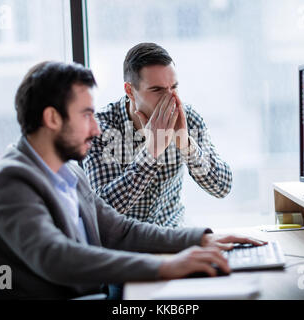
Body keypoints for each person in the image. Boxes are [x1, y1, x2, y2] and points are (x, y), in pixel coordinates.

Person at [0, 61, 265, 299]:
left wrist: (201, 238)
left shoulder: (67, 171)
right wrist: (165, 265)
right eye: (87, 115)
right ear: (52, 119)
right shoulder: (10, 181)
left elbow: (119, 231)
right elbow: (57, 258)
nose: (97, 128)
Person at [83, 42, 232, 228]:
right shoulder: (101, 129)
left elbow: (222, 187)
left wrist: (186, 146)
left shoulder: (187, 118)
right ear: (130, 91)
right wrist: (151, 152)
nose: (170, 98)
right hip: (125, 245)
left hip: (173, 235)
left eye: (174, 87)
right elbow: (102, 212)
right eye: (157, 90)